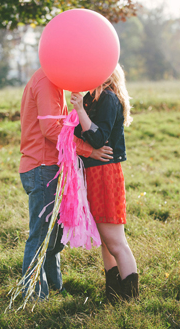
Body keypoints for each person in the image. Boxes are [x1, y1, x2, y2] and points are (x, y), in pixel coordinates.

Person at [19, 68, 114, 298]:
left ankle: (54, 284)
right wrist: (88, 150)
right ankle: (32, 293)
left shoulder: (54, 81)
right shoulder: (47, 82)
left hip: (51, 167)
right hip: (42, 168)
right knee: (41, 235)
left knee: (54, 236)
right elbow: (51, 129)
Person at [71, 64, 138, 302]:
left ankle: (130, 299)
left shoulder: (108, 98)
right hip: (94, 173)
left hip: (106, 173)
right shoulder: (93, 99)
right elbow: (79, 134)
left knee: (116, 241)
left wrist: (79, 110)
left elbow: (98, 139)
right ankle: (113, 295)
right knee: (105, 241)